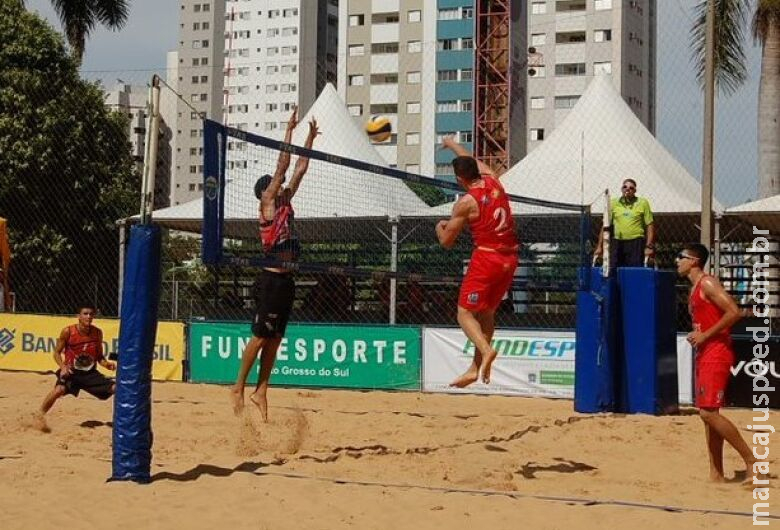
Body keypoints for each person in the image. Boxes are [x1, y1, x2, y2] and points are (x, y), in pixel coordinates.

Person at [231, 107, 319, 421]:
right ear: (265, 193)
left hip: (287, 280)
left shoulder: (285, 201)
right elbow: (283, 165)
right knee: (259, 336)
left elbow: (300, 168)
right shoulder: (267, 205)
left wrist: (309, 137)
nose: (280, 185)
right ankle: (238, 385)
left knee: (276, 339)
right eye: (274, 185)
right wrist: (289, 131)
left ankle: (261, 390)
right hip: (269, 280)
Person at [436, 135, 518, 387]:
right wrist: (451, 144)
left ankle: (486, 349)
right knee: (487, 312)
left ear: (459, 179)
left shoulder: (466, 203)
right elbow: (473, 161)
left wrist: (440, 227)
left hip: (487, 257)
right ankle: (474, 367)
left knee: (464, 313)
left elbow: (446, 242)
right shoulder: (494, 181)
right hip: (511, 256)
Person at [677, 243, 758, 483]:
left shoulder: (708, 283)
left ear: (694, 261)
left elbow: (734, 311)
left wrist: (705, 335)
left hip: (716, 351)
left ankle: (753, 461)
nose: (676, 261)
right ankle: (716, 473)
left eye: (680, 257)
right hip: (705, 351)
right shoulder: (694, 289)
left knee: (708, 413)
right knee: (708, 414)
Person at [36, 304, 115, 428]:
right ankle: (39, 415)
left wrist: (107, 365)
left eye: (91, 314)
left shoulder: (97, 332)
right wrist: (62, 367)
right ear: (78, 316)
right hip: (71, 372)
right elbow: (56, 352)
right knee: (59, 390)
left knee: (116, 388)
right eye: (85, 314)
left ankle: (123, 422)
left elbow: (99, 357)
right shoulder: (68, 331)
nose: (88, 317)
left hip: (90, 373)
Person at [594, 178, 656, 267]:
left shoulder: (643, 203)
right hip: (617, 242)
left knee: (634, 271)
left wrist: (649, 246)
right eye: (625, 187)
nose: (627, 189)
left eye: (631, 188)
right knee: (614, 270)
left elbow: (650, 225)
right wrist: (599, 246)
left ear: (635, 191)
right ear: (621, 189)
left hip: (636, 243)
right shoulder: (613, 203)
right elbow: (605, 226)